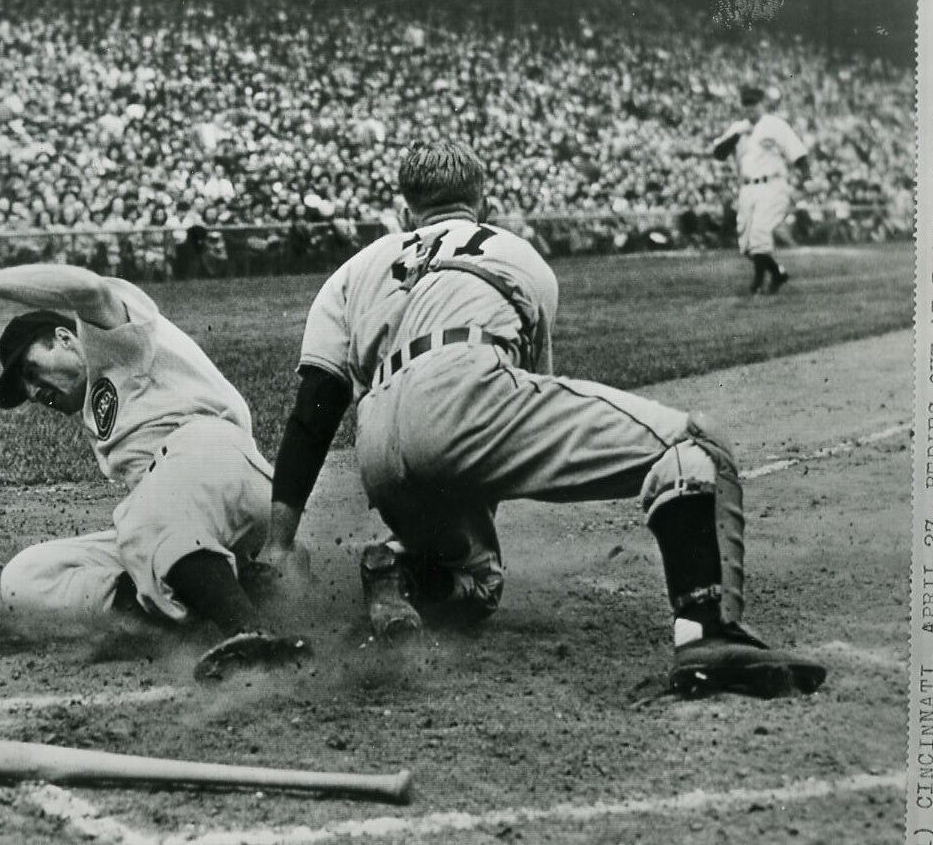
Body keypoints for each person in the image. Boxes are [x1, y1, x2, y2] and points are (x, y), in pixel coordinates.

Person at [252, 139, 826, 698]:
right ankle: (708, 633)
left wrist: (279, 544)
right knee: (695, 444)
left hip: (376, 437)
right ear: (484, 205)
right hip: (464, 389)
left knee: (478, 585)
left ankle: (397, 565)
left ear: (405, 212)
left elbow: (314, 409)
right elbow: (518, 399)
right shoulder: (514, 250)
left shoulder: (355, 269)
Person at [0, 235, 309, 682]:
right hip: (186, 520)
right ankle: (205, 607)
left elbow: (86, 289)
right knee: (28, 576)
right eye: (24, 389)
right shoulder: (95, 412)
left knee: (142, 513)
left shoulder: (116, 343)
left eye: (31, 371)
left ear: (65, 337)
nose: (34, 392)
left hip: (220, 468)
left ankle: (253, 636)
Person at [712, 86, 810, 295]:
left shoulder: (775, 125)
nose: (750, 109)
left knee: (759, 235)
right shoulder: (738, 128)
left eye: (754, 104)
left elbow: (799, 154)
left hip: (772, 186)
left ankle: (757, 283)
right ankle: (777, 273)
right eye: (746, 105)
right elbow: (718, 153)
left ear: (762, 103)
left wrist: (806, 180)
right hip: (747, 188)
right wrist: (735, 137)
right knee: (746, 245)